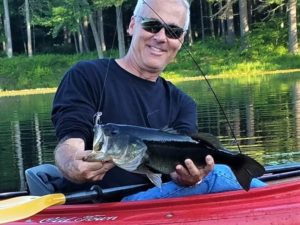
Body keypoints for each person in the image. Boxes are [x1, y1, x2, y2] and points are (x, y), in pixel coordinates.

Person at [51, 0, 265, 201]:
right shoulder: (86, 75)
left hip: (161, 203)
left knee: (215, 173)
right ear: (132, 25)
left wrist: (189, 176)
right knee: (219, 176)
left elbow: (178, 170)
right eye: (152, 26)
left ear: (181, 40)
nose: (161, 37)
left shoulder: (184, 103)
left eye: (173, 31)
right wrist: (72, 162)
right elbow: (70, 138)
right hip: (106, 206)